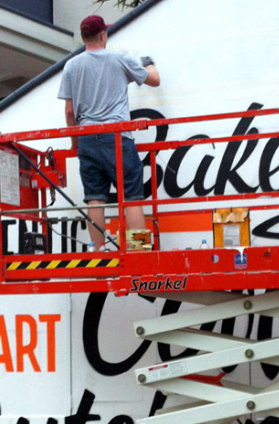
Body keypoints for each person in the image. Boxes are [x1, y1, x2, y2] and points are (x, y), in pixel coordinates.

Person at [58, 15, 160, 250]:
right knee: (132, 197)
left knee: (95, 198)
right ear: (103, 35)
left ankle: (99, 252)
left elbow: (70, 112)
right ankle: (138, 253)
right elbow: (154, 80)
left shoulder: (71, 66)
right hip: (117, 136)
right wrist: (148, 64)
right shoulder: (119, 59)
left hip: (87, 137)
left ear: (83, 37)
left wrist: (75, 143)